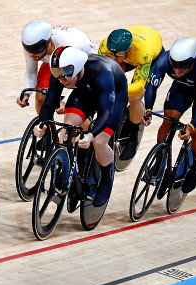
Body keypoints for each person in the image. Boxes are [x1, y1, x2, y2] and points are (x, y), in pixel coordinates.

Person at [33, 46, 128, 207]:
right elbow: (50, 102)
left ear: (77, 69)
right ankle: (69, 168)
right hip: (85, 91)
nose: (61, 79)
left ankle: (106, 179)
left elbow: (106, 113)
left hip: (113, 95)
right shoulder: (62, 74)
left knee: (99, 141)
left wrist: (91, 135)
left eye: (65, 75)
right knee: (66, 129)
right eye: (57, 74)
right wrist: (42, 123)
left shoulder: (103, 74)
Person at [143, 37, 196, 194]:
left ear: (192, 62)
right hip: (182, 87)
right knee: (168, 121)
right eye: (175, 66)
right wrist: (149, 110)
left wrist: (191, 127)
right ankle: (160, 160)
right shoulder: (165, 59)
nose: (177, 71)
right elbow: (152, 85)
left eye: (182, 68)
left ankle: (195, 167)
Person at [99, 25, 164, 160]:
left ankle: (133, 136)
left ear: (128, 51)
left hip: (151, 57)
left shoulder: (143, 53)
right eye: (111, 53)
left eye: (118, 55)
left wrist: (119, 88)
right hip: (133, 48)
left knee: (135, 97)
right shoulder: (105, 45)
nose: (113, 57)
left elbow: (139, 86)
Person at [17, 20, 97, 114]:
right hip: (55, 60)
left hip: (82, 60)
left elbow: (79, 83)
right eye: (28, 49)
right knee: (40, 98)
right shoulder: (32, 45)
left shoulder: (70, 45)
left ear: (48, 42)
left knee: (75, 108)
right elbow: (30, 72)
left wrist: (65, 101)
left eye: (36, 49)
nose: (31, 54)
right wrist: (26, 94)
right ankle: (46, 127)